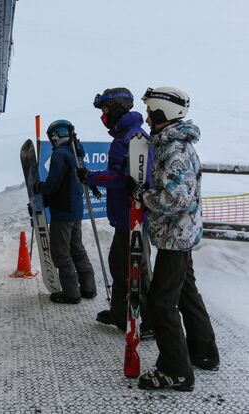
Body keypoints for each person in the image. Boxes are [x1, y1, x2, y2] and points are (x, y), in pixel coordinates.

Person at [131, 86, 219, 391]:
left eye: (150, 112)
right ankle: (203, 352)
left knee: (161, 303)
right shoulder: (173, 144)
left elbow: (176, 198)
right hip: (180, 234)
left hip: (175, 237)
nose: (146, 117)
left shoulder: (175, 150)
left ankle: (176, 370)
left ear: (161, 113)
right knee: (185, 293)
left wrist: (145, 196)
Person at [76, 87, 154, 338]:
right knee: (119, 265)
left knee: (137, 269)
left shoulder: (130, 138)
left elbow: (122, 178)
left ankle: (151, 321)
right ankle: (121, 313)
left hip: (134, 217)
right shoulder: (128, 135)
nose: (103, 115)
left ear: (118, 108)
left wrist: (91, 176)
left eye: (106, 110)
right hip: (125, 216)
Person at [34, 119, 97, 304]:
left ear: (55, 135)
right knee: (76, 248)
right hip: (76, 209)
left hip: (62, 210)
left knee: (61, 252)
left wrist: (41, 187)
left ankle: (71, 293)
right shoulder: (77, 152)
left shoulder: (60, 154)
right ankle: (88, 287)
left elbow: (54, 183)